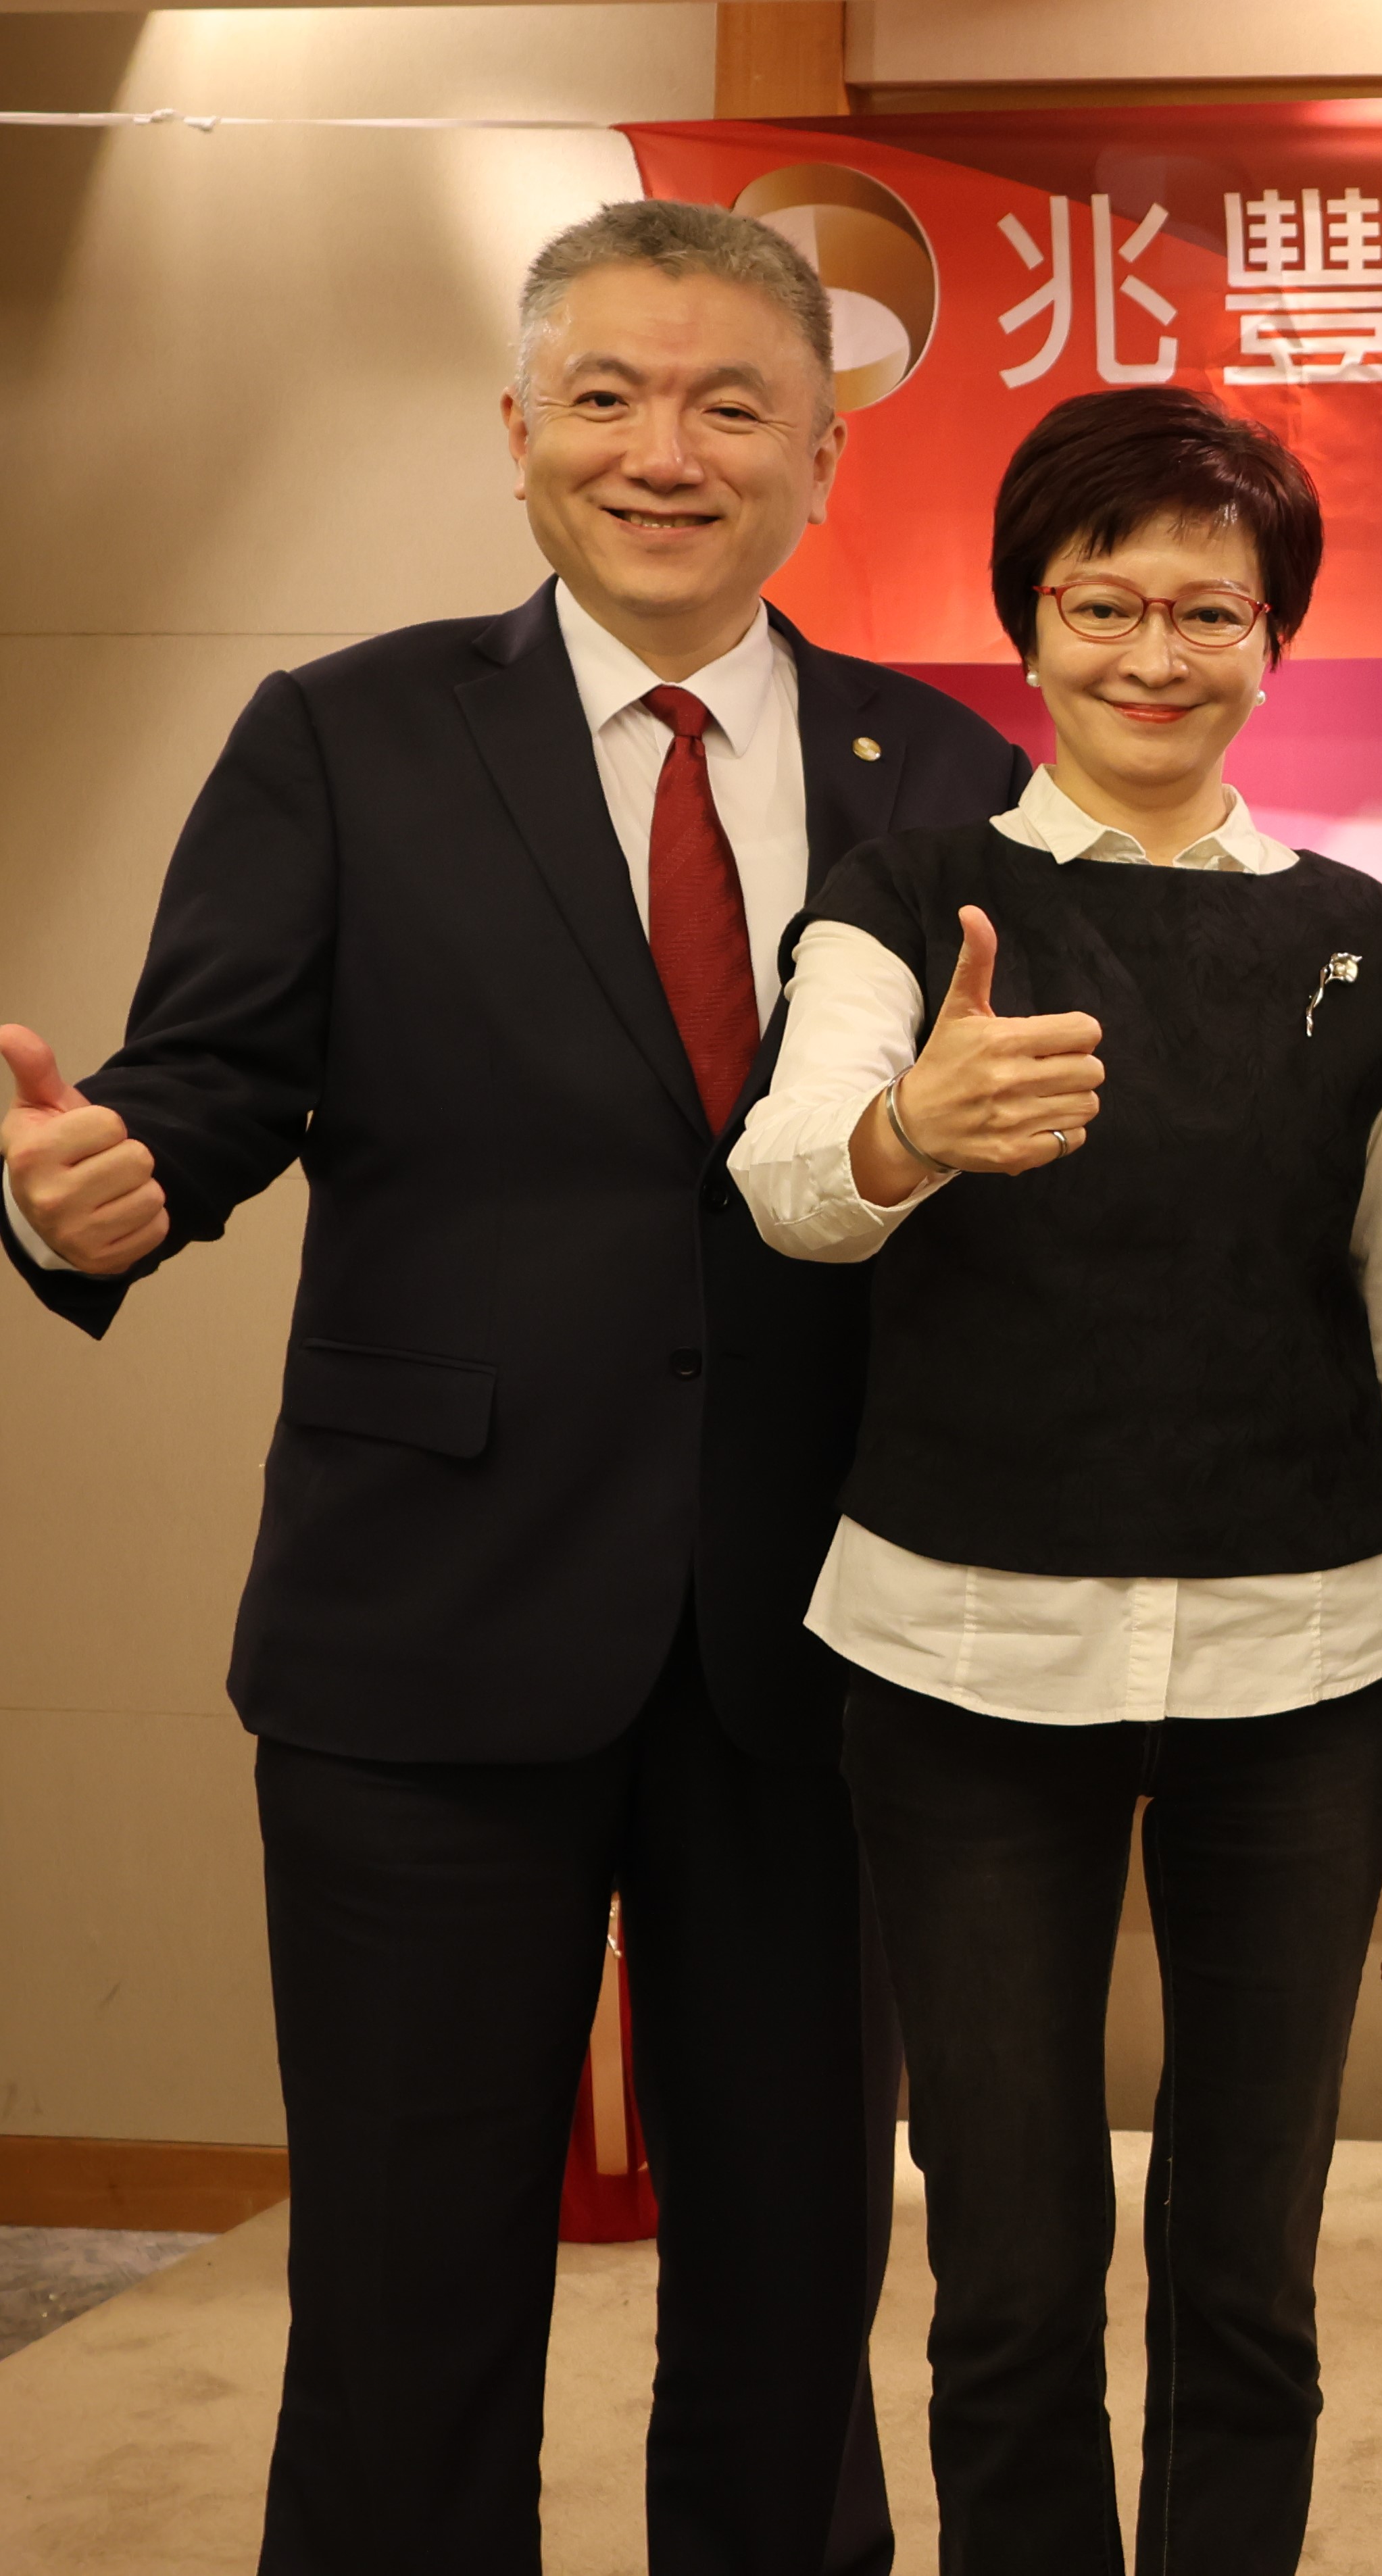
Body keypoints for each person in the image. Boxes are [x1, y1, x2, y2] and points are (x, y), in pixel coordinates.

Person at [0, 202, 1018, 2575]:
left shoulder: (946, 766)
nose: (668, 451)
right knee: (406, 2282)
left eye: (733, 404)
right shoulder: (344, 733)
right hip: (426, 1629)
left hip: (819, 1642)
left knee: (795, 2279)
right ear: (521, 432)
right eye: (610, 397)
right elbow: (199, 1086)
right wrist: (94, 1194)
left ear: (824, 455)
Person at [722, 385, 1382, 2576]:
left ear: (1276, 637)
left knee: (1249, 2267)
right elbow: (788, 1180)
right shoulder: (908, 897)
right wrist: (912, 1131)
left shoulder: (1368, 947)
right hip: (961, 1665)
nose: (1157, 653)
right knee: (1009, 2267)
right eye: (1104, 603)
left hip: (1307, 1672)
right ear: (1030, 625)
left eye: (1209, 611)